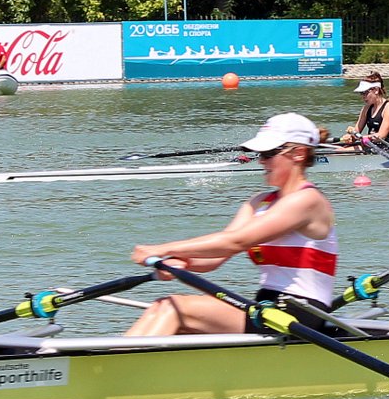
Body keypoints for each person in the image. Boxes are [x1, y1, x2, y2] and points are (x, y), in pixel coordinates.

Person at [125, 113, 338, 335]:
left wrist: (161, 249)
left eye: (268, 154)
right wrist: (179, 262)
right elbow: (216, 257)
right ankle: (115, 355)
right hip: (266, 307)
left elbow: (235, 242)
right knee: (160, 307)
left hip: (301, 314)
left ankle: (121, 358)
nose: (261, 161)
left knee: (172, 308)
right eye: (260, 154)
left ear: (298, 153)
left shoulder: (307, 200)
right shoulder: (260, 202)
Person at [340, 74, 389, 146]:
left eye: (365, 93)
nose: (363, 97)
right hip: (368, 146)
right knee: (337, 150)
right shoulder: (366, 108)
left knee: (338, 151)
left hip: (384, 147)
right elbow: (356, 132)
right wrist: (350, 137)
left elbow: (381, 136)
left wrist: (361, 137)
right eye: (361, 93)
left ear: (376, 90)